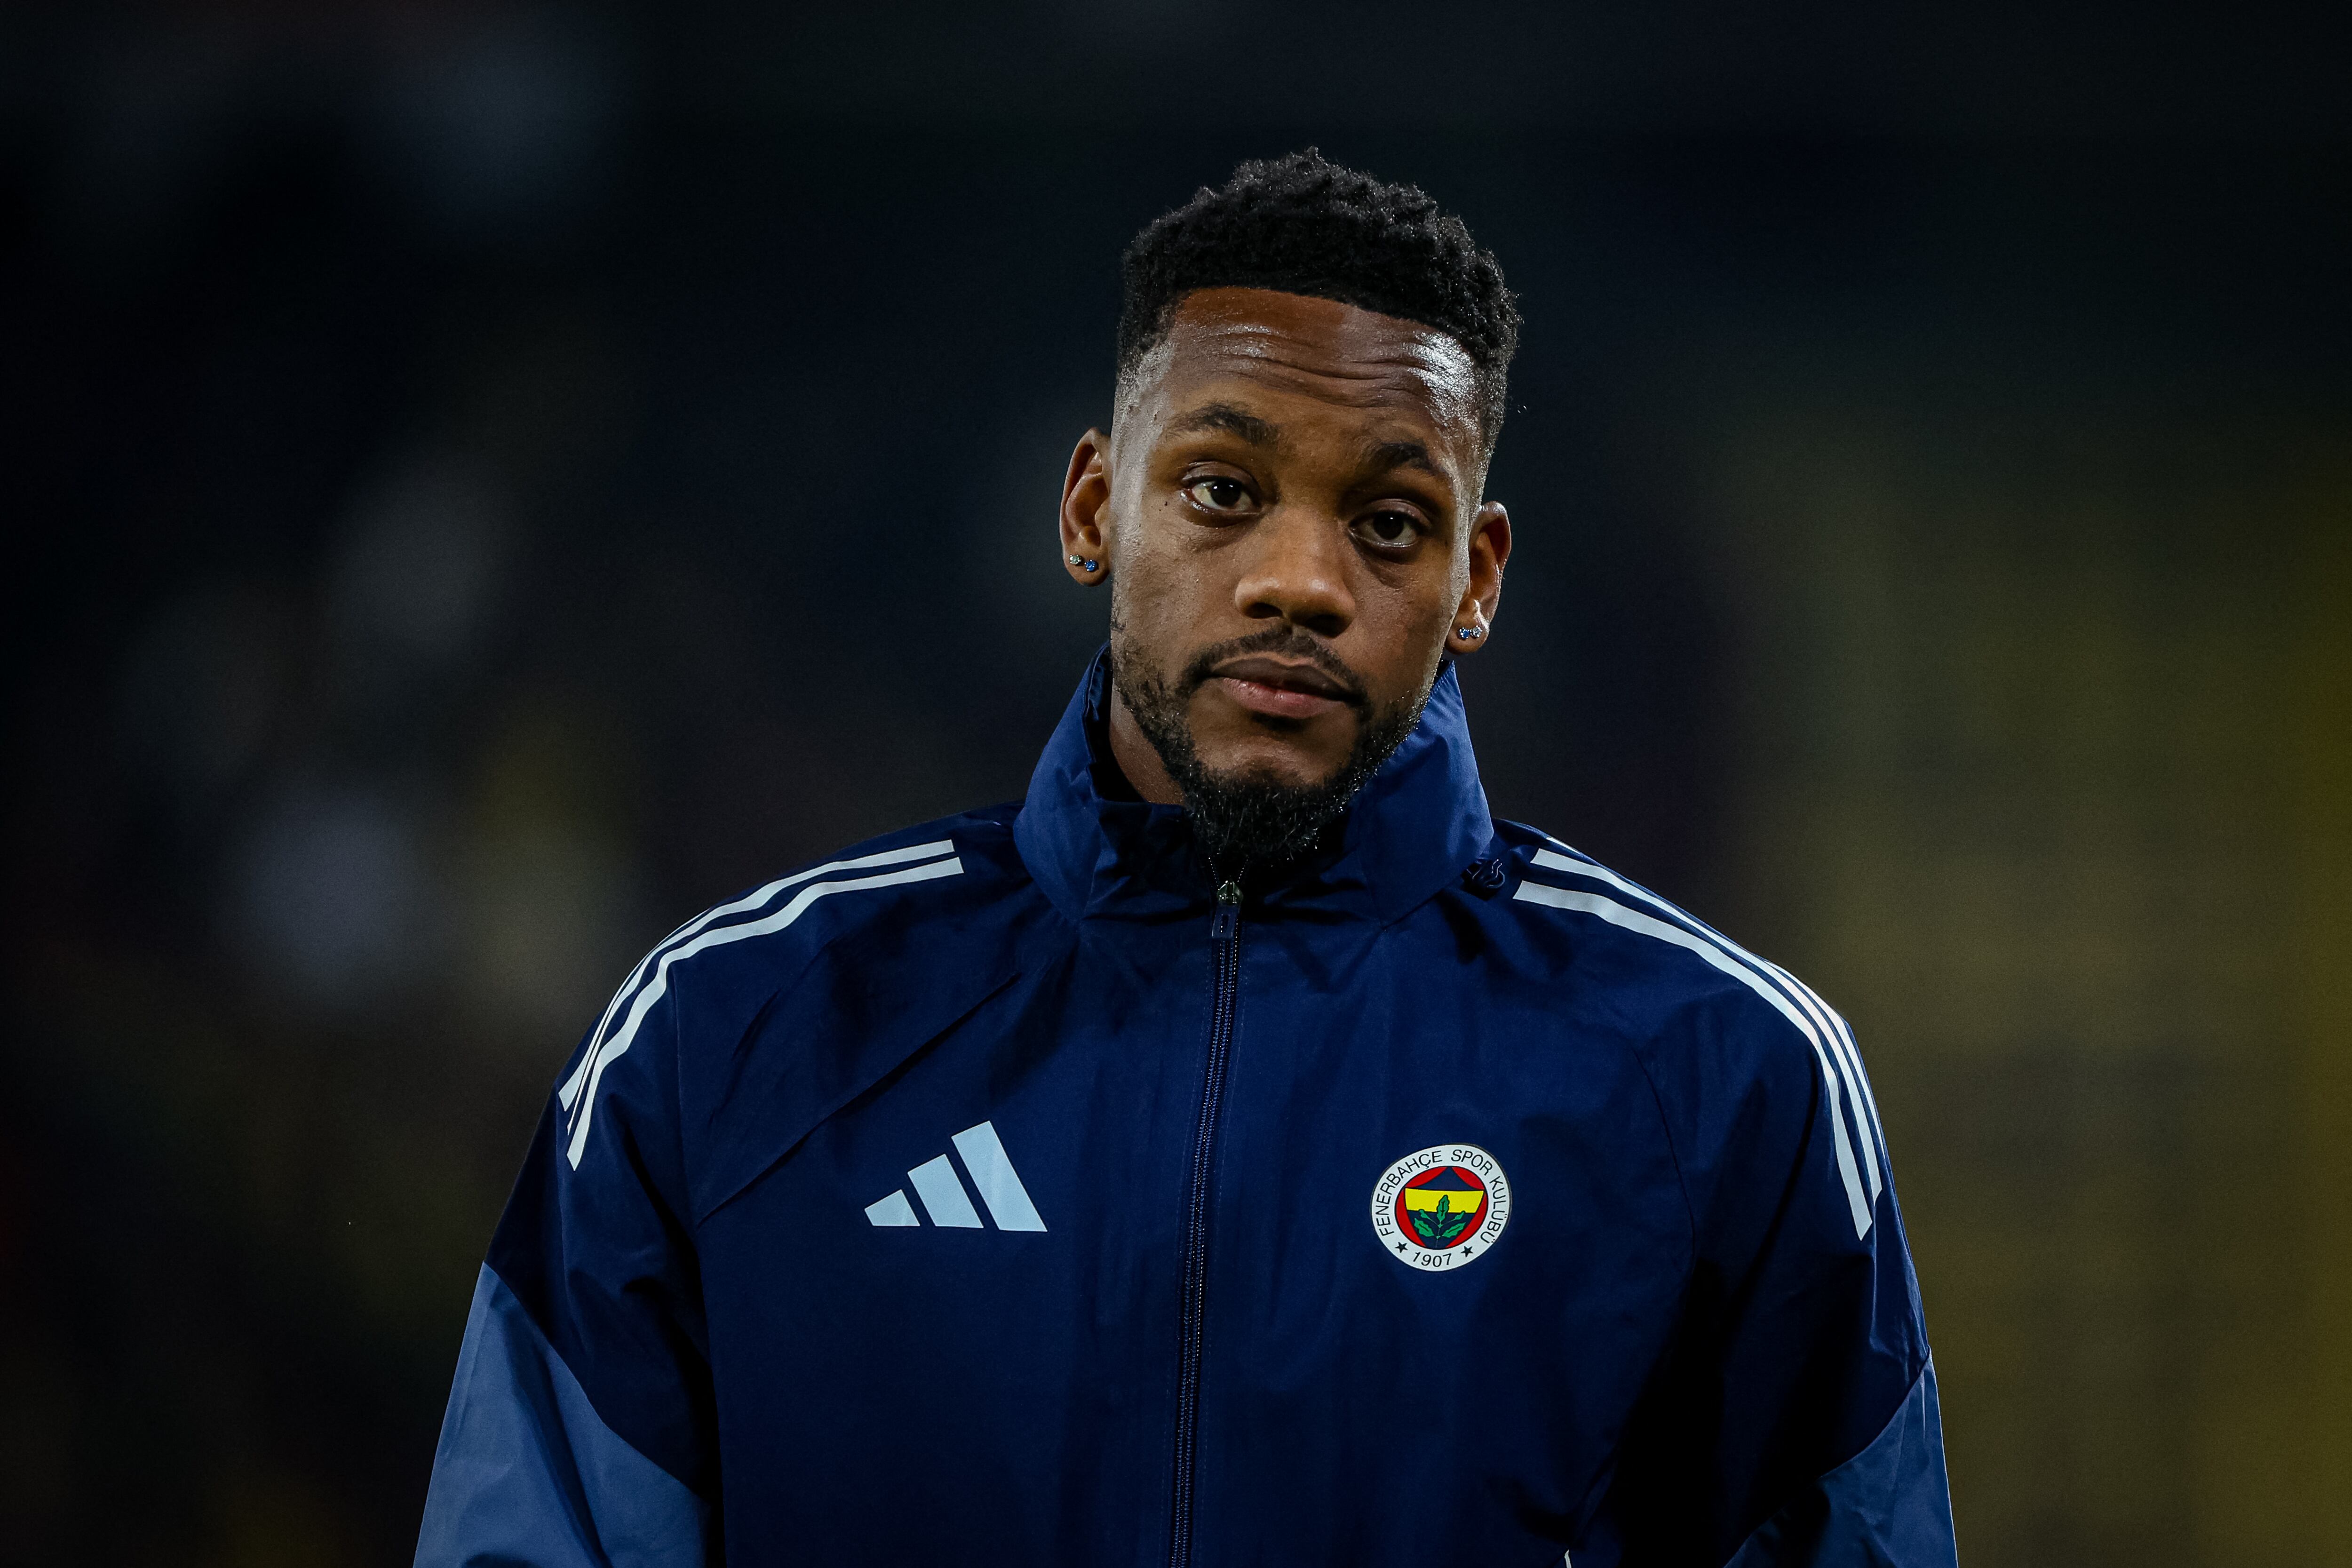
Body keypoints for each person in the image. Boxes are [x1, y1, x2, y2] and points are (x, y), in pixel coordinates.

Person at [413, 150, 1958, 1568]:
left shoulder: (1724, 1078)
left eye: (1391, 522)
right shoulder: (731, 1042)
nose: (1298, 581)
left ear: (1478, 575)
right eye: (1222, 492)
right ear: (1095, 508)